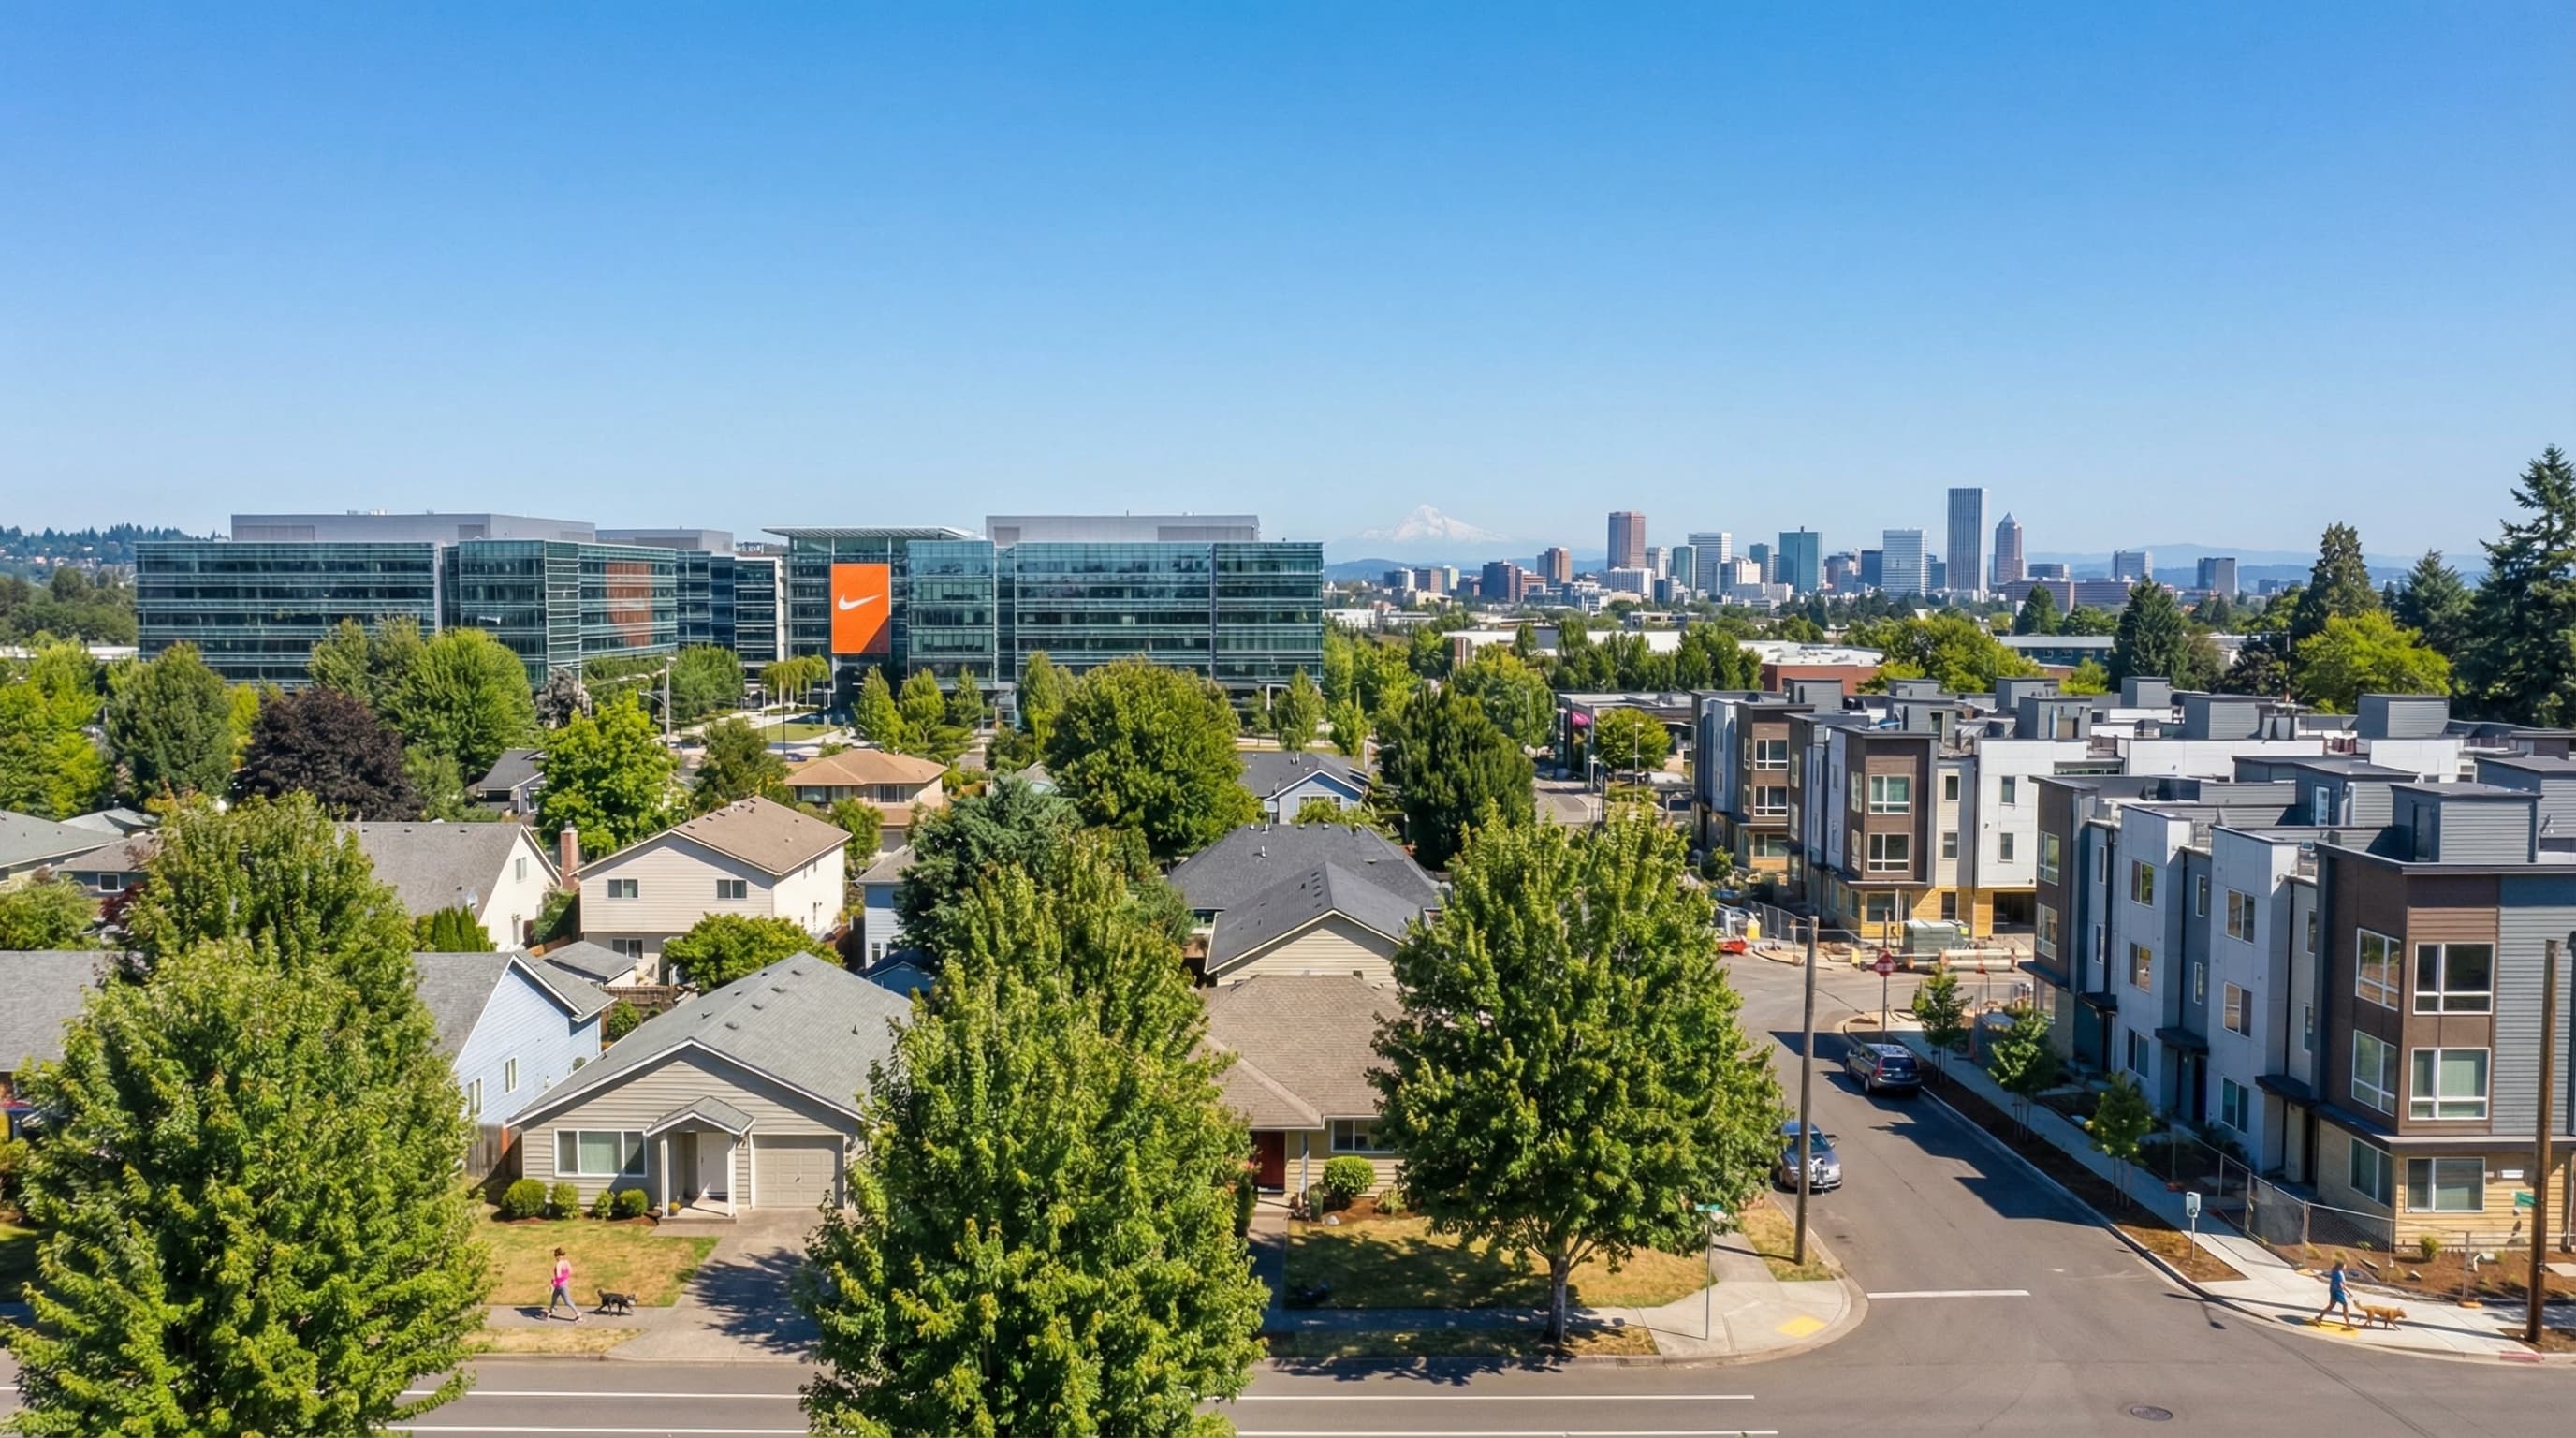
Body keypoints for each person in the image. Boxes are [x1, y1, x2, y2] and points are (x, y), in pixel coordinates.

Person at [2313, 1257, 2352, 1327]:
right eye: (2345, 1265)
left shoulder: (2336, 1271)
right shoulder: (2338, 1274)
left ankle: (2319, 1317)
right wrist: (2349, 1292)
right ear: (2341, 1266)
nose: (2346, 1266)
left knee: (2331, 1306)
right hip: (2337, 1291)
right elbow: (2341, 1285)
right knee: (2345, 1305)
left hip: (2334, 1290)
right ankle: (2348, 1323)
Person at [548, 1246, 581, 1322]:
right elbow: (570, 1272)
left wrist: (552, 1283)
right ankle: (550, 1312)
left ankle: (578, 1313)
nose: (555, 1258)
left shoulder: (559, 1264)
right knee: (554, 1299)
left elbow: (558, 1277)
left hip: (561, 1285)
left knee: (567, 1301)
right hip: (562, 1284)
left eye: (555, 1256)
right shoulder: (567, 1262)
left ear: (558, 1256)